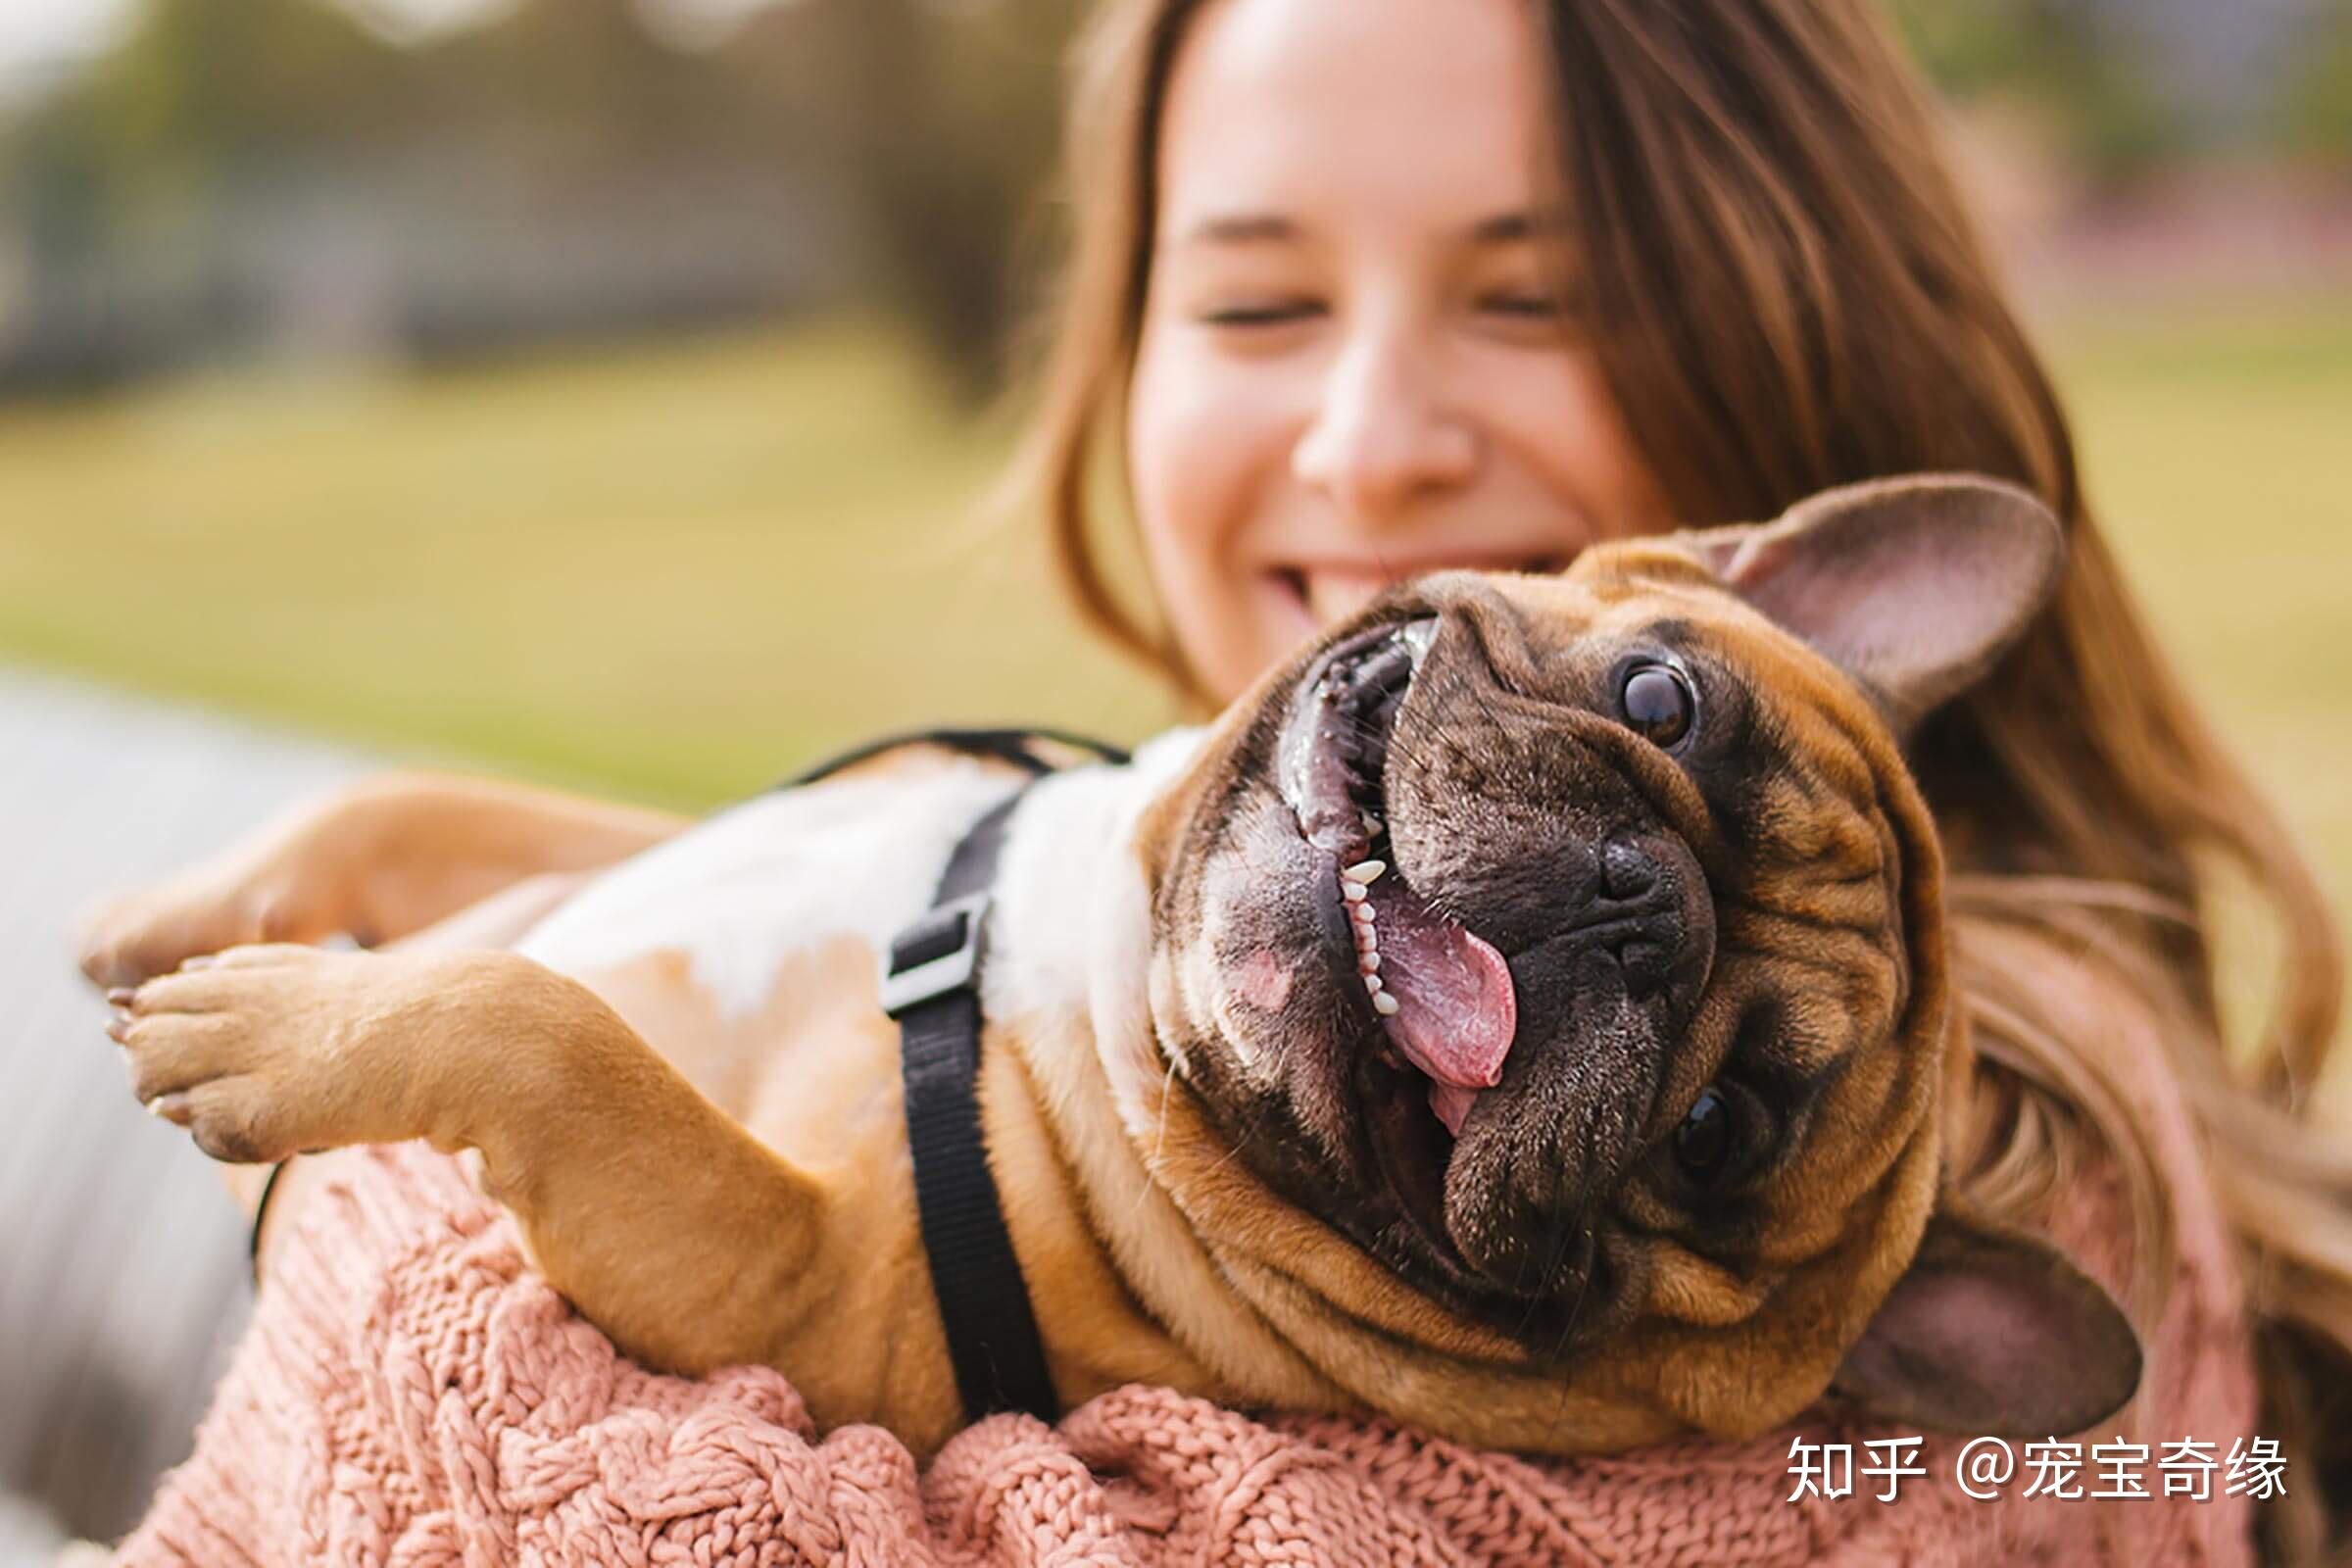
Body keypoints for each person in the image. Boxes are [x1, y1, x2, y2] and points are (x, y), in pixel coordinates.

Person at [99, 0, 2350, 1560]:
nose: (1370, 439)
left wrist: (360, 1159)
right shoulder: (1170, 899)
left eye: (1530, 299)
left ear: (1803, 341)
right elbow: (804, 920)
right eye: (1262, 305)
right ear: (1111, 346)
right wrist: (435, 855)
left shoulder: (2000, 1233)